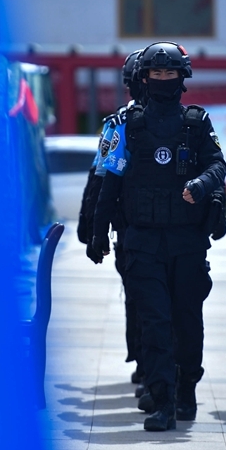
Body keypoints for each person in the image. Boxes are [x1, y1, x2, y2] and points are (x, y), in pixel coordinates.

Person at [88, 42, 226, 431]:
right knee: (154, 324)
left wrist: (201, 184)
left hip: (187, 243)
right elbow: (110, 182)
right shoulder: (128, 126)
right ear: (145, 79)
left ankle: (187, 389)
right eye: (156, 74)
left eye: (170, 74)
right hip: (143, 243)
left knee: (187, 323)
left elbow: (218, 164)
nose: (163, 79)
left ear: (182, 78)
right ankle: (162, 401)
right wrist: (98, 232)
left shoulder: (196, 123)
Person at [77, 49, 146, 390]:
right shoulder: (119, 125)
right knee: (139, 299)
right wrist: (92, 227)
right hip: (131, 228)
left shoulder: (189, 122)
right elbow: (100, 177)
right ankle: (148, 365)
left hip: (177, 231)